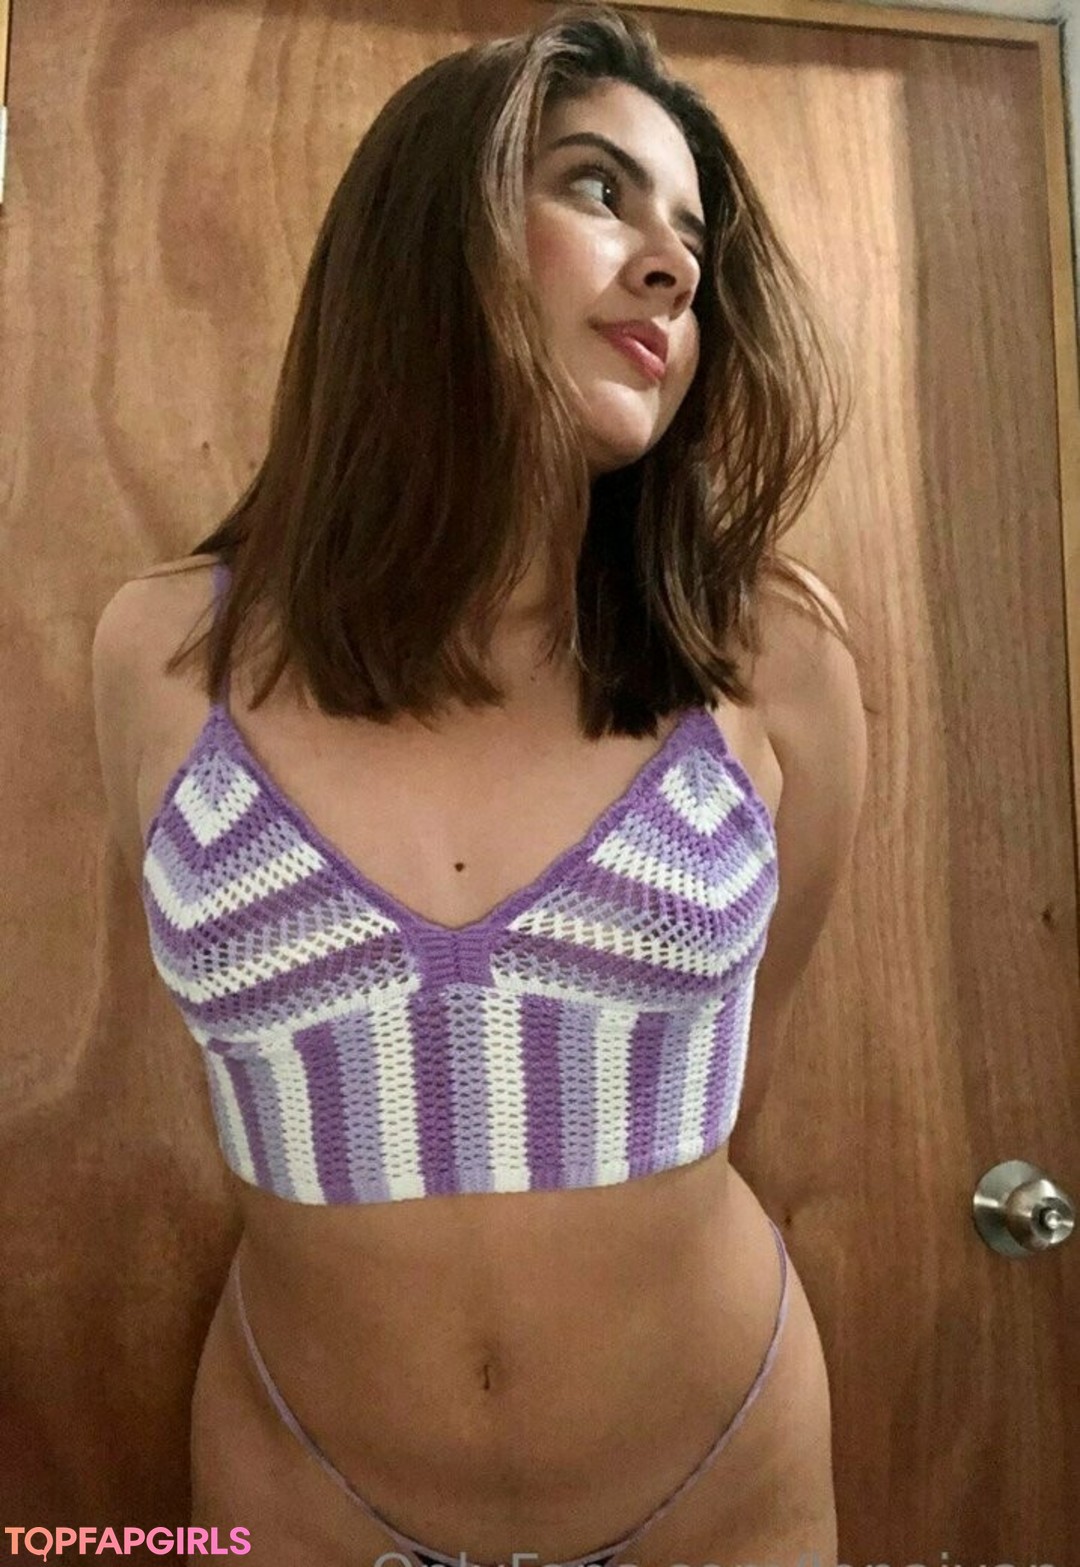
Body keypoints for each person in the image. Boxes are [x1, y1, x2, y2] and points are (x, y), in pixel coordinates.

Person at [91, 5, 868, 1564]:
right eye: (599, 187)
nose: (672, 264)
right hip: (302, 1496)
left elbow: (747, 1073)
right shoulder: (163, 659)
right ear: (426, 233)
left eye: (692, 235)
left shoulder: (771, 657)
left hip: (722, 1490)